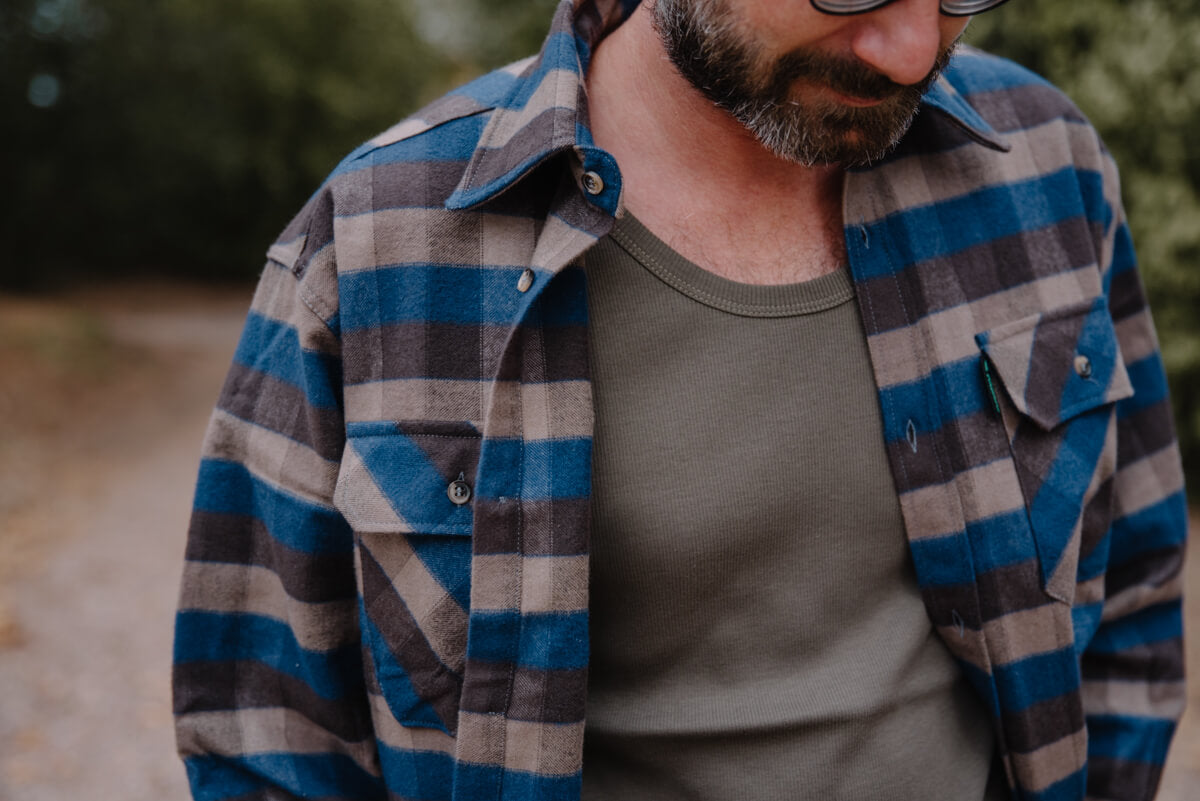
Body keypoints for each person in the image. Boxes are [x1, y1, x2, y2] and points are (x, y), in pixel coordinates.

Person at [172, 0, 1188, 799]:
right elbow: (265, 738)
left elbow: (1138, 583)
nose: (912, 49)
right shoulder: (372, 245)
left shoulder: (1049, 164)